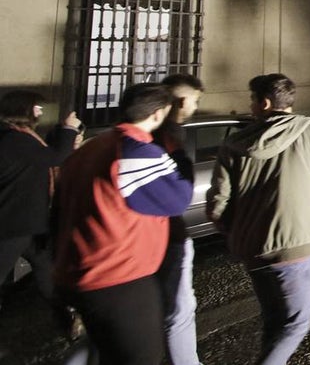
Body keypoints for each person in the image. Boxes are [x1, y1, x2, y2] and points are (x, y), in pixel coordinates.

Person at [207, 74, 310, 365]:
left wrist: (236, 229)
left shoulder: (234, 143)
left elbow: (219, 201)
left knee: (274, 320)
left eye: (252, 99)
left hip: (252, 247)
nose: (250, 105)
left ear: (265, 103)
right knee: (295, 324)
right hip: (295, 246)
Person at [55, 83, 194, 365]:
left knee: (103, 349)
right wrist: (176, 145)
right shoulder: (135, 152)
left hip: (78, 270)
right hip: (119, 276)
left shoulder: (89, 149)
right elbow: (178, 198)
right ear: (158, 115)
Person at [0, 91, 80, 316]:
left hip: (27, 222)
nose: (40, 112)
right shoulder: (14, 139)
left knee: (45, 266)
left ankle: (65, 313)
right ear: (24, 110)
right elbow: (56, 157)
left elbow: (44, 154)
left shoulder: (19, 137)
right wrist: (69, 129)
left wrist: (64, 134)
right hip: (14, 223)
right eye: (37, 107)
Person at [154, 74, 205, 365]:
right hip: (167, 235)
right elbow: (180, 194)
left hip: (145, 237)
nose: (196, 107)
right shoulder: (170, 137)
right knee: (180, 312)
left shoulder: (143, 134)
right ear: (183, 101)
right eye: (196, 101)